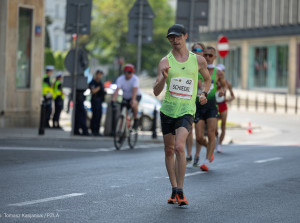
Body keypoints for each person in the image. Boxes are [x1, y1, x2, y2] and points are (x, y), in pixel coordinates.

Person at [153, 24, 211, 206]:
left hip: (187, 110)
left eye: (178, 36)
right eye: (171, 37)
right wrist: (163, 78)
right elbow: (156, 91)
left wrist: (203, 93)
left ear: (186, 36)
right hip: (168, 110)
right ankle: (173, 189)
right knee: (169, 150)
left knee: (179, 147)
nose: (174, 40)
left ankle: (181, 190)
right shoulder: (165, 62)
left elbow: (207, 79)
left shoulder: (198, 60)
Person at [196, 46, 227, 172]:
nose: (208, 57)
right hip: (199, 103)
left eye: (210, 55)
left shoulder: (218, 73)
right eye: (206, 55)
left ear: (214, 57)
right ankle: (210, 147)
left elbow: (224, 87)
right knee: (198, 137)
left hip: (211, 104)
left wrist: (222, 93)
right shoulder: (197, 69)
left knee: (211, 133)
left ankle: (207, 160)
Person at [186, 42, 206, 167]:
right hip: (189, 100)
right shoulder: (188, 65)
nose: (197, 51)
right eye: (194, 49)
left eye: (199, 50)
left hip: (201, 102)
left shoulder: (205, 66)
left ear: (203, 52)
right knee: (188, 130)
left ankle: (198, 155)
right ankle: (189, 154)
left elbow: (206, 83)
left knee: (199, 134)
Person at [111, 64, 141, 130]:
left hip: (136, 95)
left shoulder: (135, 79)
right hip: (126, 97)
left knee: (134, 104)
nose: (127, 74)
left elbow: (134, 90)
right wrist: (113, 99)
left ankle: (135, 119)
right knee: (124, 113)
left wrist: (133, 100)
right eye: (125, 72)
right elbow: (117, 90)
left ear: (132, 73)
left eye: (129, 72)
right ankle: (123, 129)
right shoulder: (120, 79)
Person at [215, 64, 235, 153]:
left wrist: (228, 99)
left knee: (223, 126)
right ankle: (216, 139)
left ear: (224, 72)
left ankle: (219, 144)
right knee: (214, 128)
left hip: (223, 105)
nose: (219, 72)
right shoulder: (214, 81)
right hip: (214, 105)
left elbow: (233, 96)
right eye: (218, 70)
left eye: (221, 71)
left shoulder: (227, 83)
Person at [89, 70, 106, 136]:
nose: (99, 76)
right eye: (98, 74)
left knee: (99, 116)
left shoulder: (100, 83)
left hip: (100, 101)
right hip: (95, 101)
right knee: (95, 116)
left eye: (101, 75)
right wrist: (99, 88)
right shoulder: (93, 82)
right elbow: (93, 91)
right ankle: (93, 130)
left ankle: (97, 131)